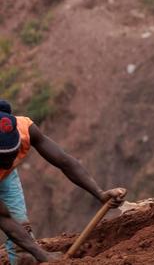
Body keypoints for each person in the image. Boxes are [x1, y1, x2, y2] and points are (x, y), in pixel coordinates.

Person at [0, 101, 126, 263]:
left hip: (6, 179)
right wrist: (44, 255)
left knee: (24, 246)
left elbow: (64, 161)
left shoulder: (24, 128)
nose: (10, 161)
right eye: (2, 158)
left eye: (13, 153)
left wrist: (100, 193)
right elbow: (4, 218)